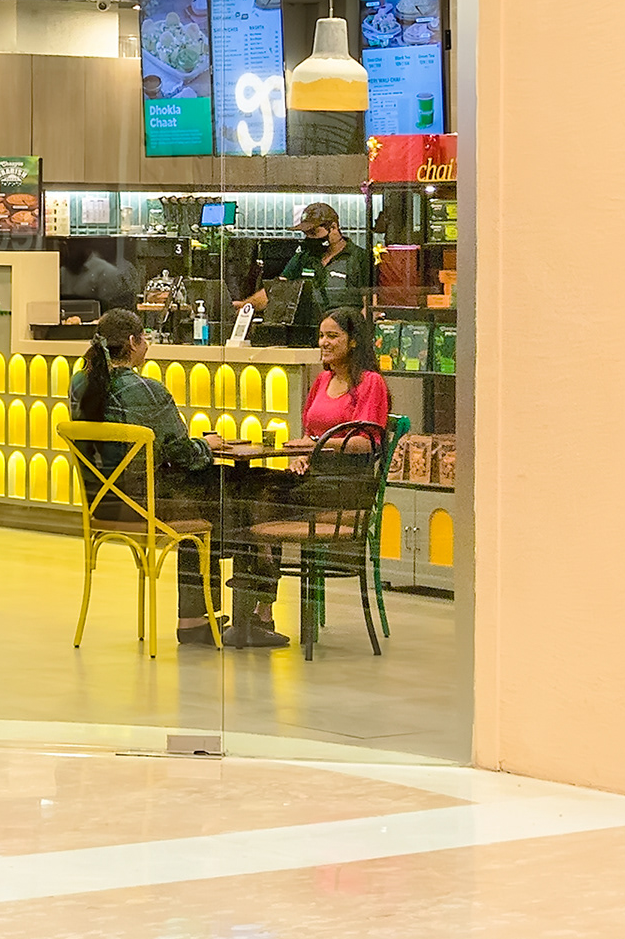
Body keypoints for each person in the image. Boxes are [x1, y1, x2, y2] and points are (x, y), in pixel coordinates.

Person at [71, 307, 286, 650]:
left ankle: (196, 620)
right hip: (150, 505)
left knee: (204, 513)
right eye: (145, 339)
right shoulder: (148, 390)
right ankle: (252, 616)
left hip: (107, 503)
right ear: (133, 342)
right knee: (244, 496)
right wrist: (206, 445)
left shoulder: (80, 383)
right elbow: (182, 452)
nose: (147, 346)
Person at [271, 203, 364, 341]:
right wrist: (246, 305)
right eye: (306, 234)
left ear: (333, 227)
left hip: (341, 338)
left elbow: (371, 305)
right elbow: (278, 290)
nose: (309, 238)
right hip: (305, 334)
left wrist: (356, 337)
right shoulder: (304, 257)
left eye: (314, 233)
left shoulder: (359, 258)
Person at [301, 308, 396, 440]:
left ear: (353, 341)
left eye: (332, 336)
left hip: (347, 454)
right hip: (314, 453)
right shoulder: (322, 379)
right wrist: (302, 451)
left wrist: (318, 444)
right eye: (321, 336)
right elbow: (308, 433)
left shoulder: (371, 381)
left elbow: (366, 442)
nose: (323, 343)